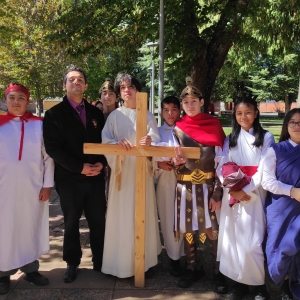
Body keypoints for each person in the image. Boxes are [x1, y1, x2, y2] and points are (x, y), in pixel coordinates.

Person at [43, 66, 107, 283]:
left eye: (80, 80)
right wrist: (79, 167)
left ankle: (101, 260)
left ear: (86, 86)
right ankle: (72, 262)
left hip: (96, 177)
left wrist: (102, 163)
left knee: (98, 221)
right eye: (71, 80)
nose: (76, 83)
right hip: (70, 178)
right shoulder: (53, 114)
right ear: (64, 85)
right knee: (70, 222)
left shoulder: (97, 113)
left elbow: (105, 144)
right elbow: (53, 148)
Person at [101, 72, 161, 278]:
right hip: (122, 174)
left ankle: (144, 263)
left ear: (138, 89)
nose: (127, 90)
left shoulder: (148, 115)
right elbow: (105, 142)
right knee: (121, 217)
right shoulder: (115, 116)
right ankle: (118, 264)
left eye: (131, 86)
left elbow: (157, 143)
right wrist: (116, 146)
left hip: (142, 174)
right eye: (123, 88)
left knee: (143, 215)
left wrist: (150, 143)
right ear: (120, 93)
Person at [216, 97, 274, 300]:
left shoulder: (266, 138)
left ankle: (258, 285)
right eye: (239, 113)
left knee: (253, 242)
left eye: (248, 112)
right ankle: (237, 284)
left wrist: (246, 189)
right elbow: (221, 165)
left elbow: (266, 168)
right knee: (233, 239)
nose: (243, 117)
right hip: (231, 194)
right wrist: (232, 189)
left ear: (256, 113)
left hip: (255, 194)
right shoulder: (229, 139)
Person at [0, 83, 54, 294]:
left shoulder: (39, 125)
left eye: (20, 98)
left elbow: (48, 158)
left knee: (30, 226)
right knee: (5, 229)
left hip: (33, 188)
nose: (16, 101)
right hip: (4, 189)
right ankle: (3, 273)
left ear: (27, 101)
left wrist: (47, 184)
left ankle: (31, 269)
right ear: (5, 100)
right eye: (12, 97)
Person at [172, 86, 226, 292]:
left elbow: (223, 162)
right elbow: (173, 159)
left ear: (202, 102)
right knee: (187, 229)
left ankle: (219, 270)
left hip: (208, 186)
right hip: (185, 186)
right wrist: (175, 161)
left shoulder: (214, 126)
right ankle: (192, 267)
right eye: (186, 102)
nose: (190, 105)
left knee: (211, 230)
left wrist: (218, 191)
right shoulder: (177, 128)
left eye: (194, 101)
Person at [261, 108, 300, 300]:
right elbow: (266, 181)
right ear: (286, 125)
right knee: (282, 247)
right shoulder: (275, 150)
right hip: (281, 208)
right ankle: (284, 285)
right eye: (293, 122)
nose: (297, 126)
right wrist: (292, 191)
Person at [154, 96, 185, 277]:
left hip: (185, 179)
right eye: (166, 110)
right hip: (166, 180)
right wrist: (159, 165)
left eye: (174, 109)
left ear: (179, 110)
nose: (170, 113)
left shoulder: (185, 130)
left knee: (183, 218)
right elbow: (151, 156)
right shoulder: (157, 132)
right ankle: (173, 258)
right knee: (167, 218)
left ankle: (187, 256)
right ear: (161, 112)